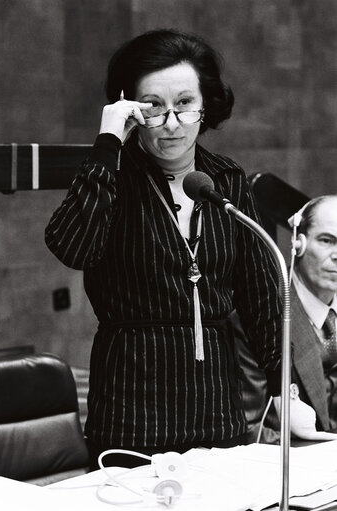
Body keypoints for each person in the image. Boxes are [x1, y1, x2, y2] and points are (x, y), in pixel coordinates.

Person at [45, 29, 285, 470]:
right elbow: (71, 247)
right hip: (131, 416)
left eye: (184, 105)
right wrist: (108, 144)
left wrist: (283, 387)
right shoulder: (110, 175)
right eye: (154, 107)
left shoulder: (226, 179)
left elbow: (262, 299)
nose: (171, 123)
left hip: (217, 413)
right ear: (131, 109)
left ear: (205, 106)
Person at [236, 195, 337, 443]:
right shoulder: (260, 314)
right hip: (290, 467)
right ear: (298, 244)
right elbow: (251, 429)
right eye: (327, 241)